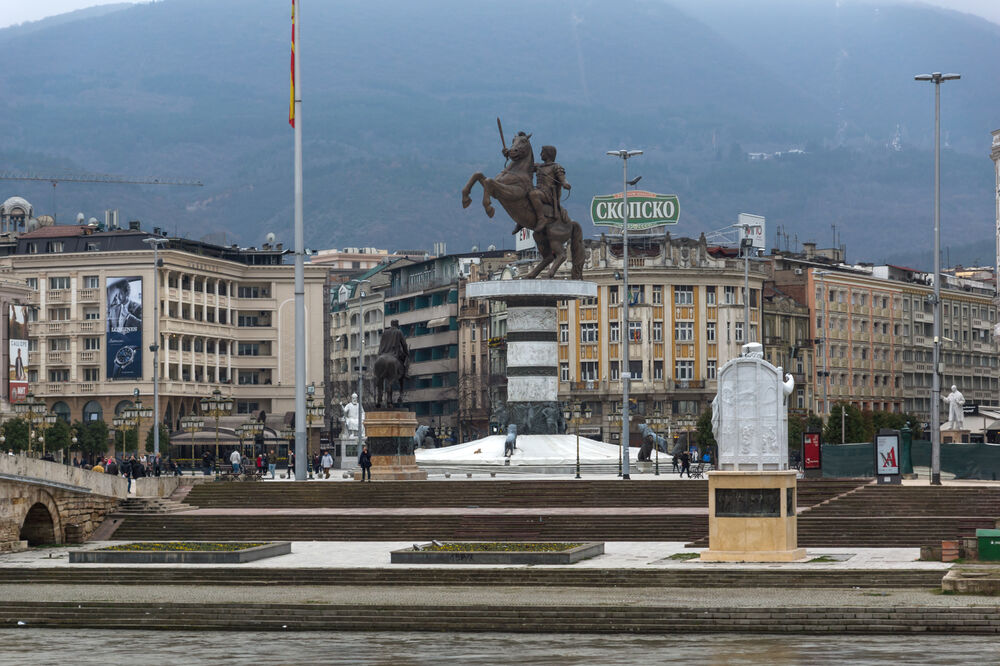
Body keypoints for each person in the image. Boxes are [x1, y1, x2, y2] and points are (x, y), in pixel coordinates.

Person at [525, 144, 571, 235]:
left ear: (548, 154)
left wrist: (565, 183)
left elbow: (562, 178)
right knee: (524, 193)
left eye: (542, 152)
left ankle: (541, 218)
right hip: (539, 190)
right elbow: (524, 165)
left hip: (549, 195)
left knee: (533, 194)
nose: (540, 154)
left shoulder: (556, 167)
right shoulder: (539, 166)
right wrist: (509, 154)